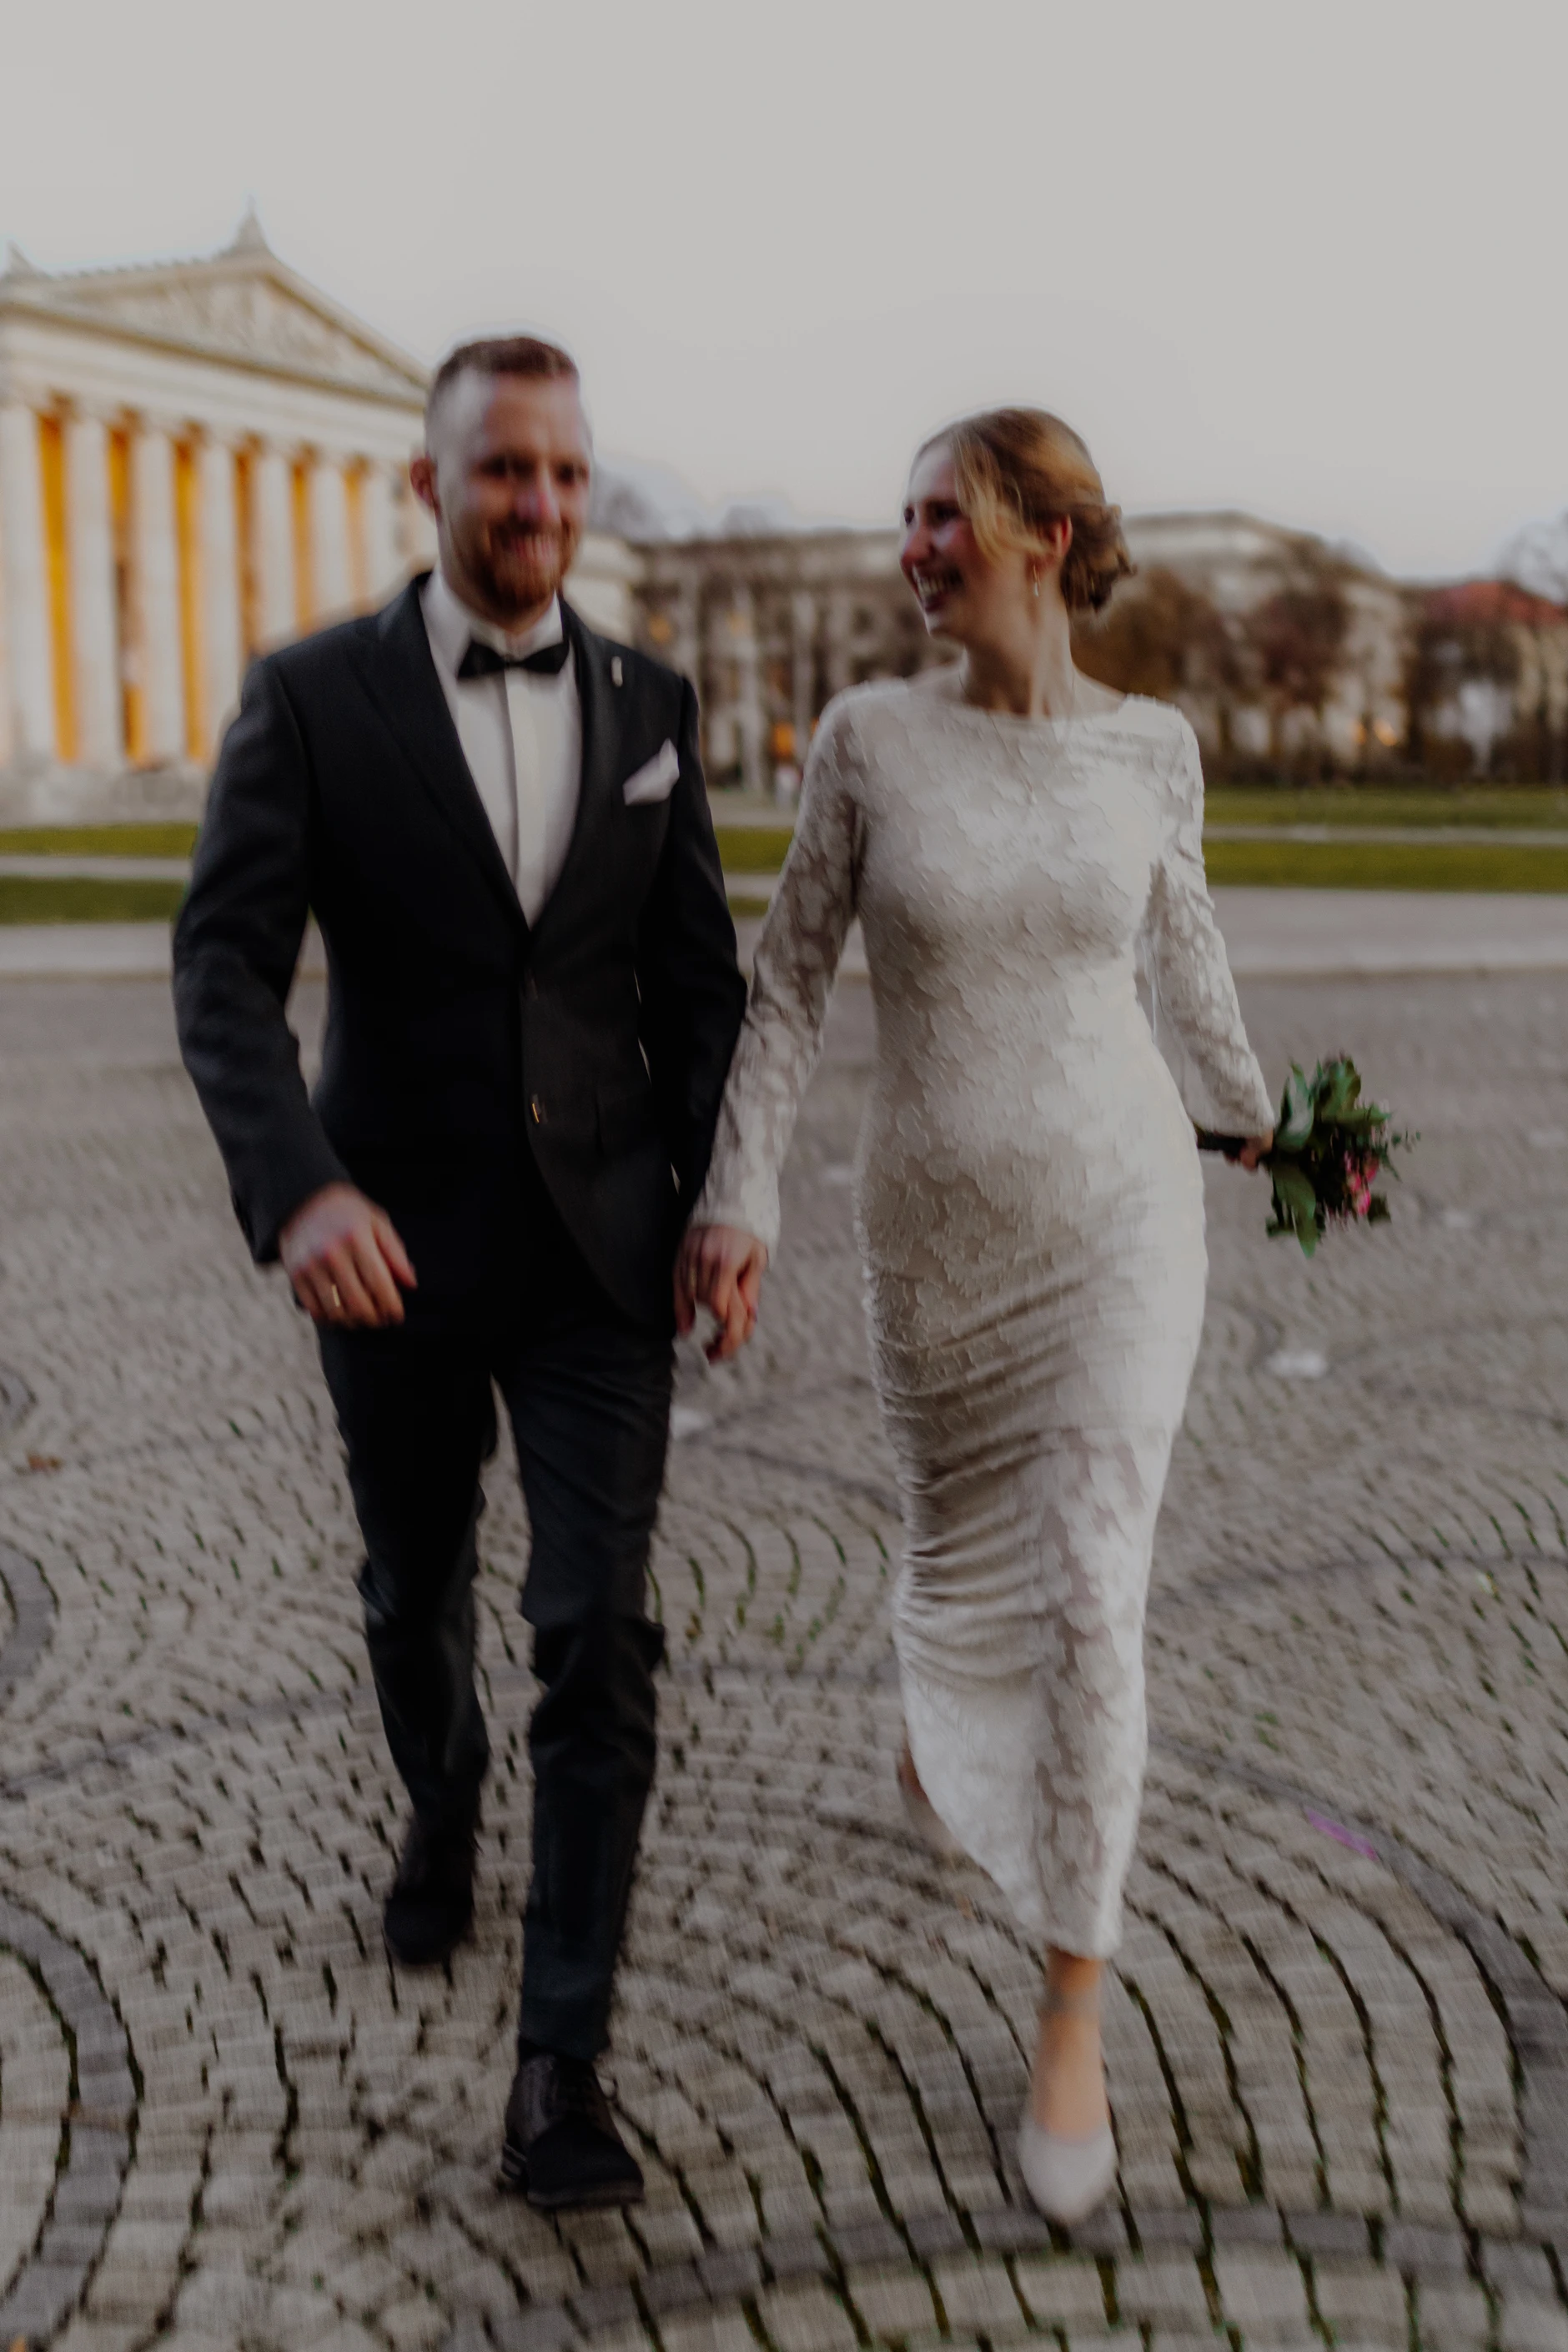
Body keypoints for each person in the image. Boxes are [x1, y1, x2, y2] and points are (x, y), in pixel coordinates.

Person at [677, 408, 1273, 2224]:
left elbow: (1185, 952)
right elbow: (780, 994)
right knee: (956, 1565)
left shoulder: (1152, 750)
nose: (912, 543)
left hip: (1118, 1221)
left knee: (1093, 1589)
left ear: (1040, 532)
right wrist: (739, 1190)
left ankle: (1070, 2007)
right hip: (933, 1245)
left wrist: (1264, 1112)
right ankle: (940, 1706)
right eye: (907, 517)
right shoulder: (865, 741)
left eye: (943, 515)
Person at [173, 335, 746, 2212]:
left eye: (569, 475)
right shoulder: (312, 698)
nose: (544, 508)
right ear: (430, 487)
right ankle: (437, 1792)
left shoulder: (650, 696)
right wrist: (300, 1191)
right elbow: (224, 968)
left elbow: (697, 996)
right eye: (506, 473)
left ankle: (561, 2064)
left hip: (604, 1258)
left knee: (598, 1630)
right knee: (413, 1583)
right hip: (390, 1254)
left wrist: (729, 1203)